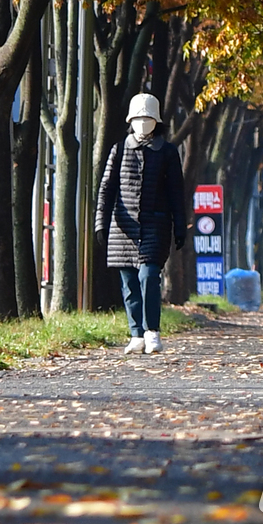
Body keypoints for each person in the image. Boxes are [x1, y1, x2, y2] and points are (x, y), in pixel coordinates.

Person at [95, 90, 187, 355]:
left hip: (155, 226)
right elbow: (106, 189)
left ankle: (152, 331)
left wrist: (179, 227)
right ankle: (136, 333)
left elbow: (175, 193)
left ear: (157, 121)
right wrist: (101, 223)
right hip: (122, 228)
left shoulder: (168, 152)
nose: (143, 123)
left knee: (149, 277)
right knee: (129, 284)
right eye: (138, 118)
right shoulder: (119, 149)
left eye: (148, 118)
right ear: (130, 120)